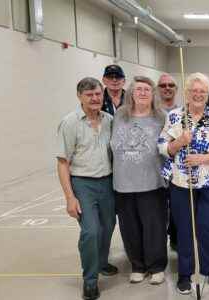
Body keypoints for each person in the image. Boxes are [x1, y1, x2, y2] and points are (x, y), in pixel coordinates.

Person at [158, 72, 209, 294]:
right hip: (181, 183)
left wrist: (202, 158)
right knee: (185, 230)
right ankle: (185, 273)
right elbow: (162, 146)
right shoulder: (174, 117)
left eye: (202, 91)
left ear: (208, 94)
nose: (198, 94)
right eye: (193, 91)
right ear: (187, 93)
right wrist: (180, 141)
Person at [56, 77, 117, 300]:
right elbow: (63, 162)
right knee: (91, 230)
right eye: (89, 95)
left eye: (98, 94)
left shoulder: (110, 119)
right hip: (83, 183)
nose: (94, 98)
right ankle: (90, 280)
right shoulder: (70, 123)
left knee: (109, 224)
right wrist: (69, 197)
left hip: (107, 181)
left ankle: (101, 262)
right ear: (79, 96)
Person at [111, 76, 167, 285]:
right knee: (129, 227)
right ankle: (137, 265)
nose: (142, 93)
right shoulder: (119, 115)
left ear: (153, 95)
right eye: (138, 89)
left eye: (147, 89)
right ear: (131, 93)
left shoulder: (161, 116)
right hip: (123, 183)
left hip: (152, 182)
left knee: (154, 227)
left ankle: (156, 266)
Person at [157, 73, 180, 251]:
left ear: (176, 89)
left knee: (177, 206)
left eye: (171, 85)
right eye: (163, 85)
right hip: (154, 166)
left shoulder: (182, 112)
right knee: (157, 208)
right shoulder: (151, 111)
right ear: (158, 89)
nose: (167, 88)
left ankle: (175, 238)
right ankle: (156, 243)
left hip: (176, 168)